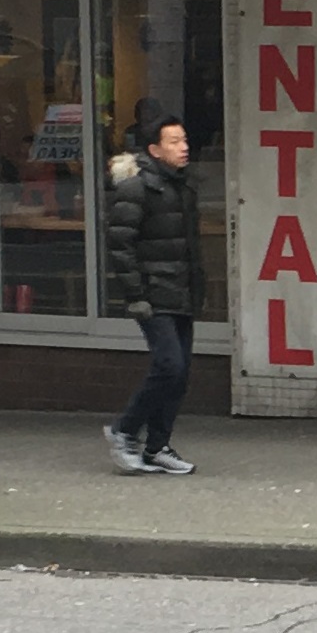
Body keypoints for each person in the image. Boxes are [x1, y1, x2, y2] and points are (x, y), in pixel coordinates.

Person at [101, 115, 198, 476]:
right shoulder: (136, 188)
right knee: (168, 365)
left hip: (181, 291)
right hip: (153, 293)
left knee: (179, 374)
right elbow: (120, 244)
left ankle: (157, 446)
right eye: (174, 141)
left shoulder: (182, 186)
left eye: (184, 139)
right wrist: (136, 295)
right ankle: (125, 430)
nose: (183, 147)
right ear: (155, 149)